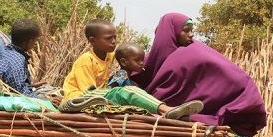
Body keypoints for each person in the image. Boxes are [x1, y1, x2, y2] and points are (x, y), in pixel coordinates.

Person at [130, 13, 267, 137]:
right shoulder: (149, 60)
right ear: (170, 33)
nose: (191, 35)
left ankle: (182, 116)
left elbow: (166, 92)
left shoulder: (188, 53)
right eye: (186, 30)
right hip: (244, 99)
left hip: (238, 99)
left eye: (192, 30)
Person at [60, 20, 202, 119]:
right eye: (109, 39)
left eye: (115, 37)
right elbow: (88, 91)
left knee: (131, 96)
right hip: (77, 99)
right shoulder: (86, 60)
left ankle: (164, 111)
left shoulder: (109, 56)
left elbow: (130, 58)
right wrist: (117, 93)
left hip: (95, 97)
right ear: (92, 41)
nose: (114, 41)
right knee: (127, 91)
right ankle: (167, 110)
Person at [0, 19, 41, 97]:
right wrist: (46, 101)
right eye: (35, 41)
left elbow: (12, 84)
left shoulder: (4, 53)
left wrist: (32, 86)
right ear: (29, 42)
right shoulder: (18, 60)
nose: (34, 44)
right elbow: (20, 93)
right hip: (11, 100)